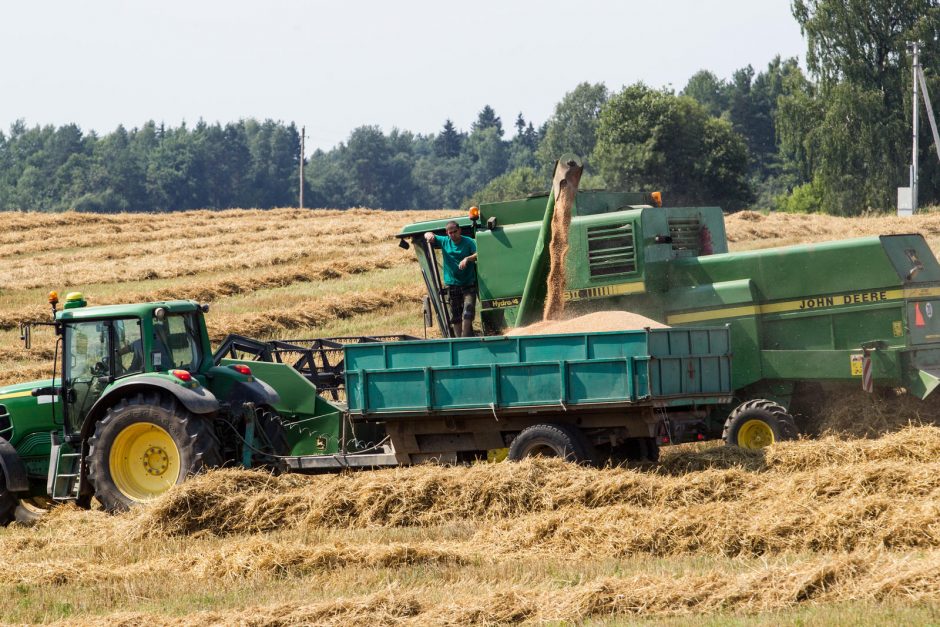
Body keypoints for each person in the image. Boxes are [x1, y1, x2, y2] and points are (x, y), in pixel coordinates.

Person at [425, 221, 477, 337]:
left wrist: (467, 259)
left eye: (455, 232)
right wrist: (428, 235)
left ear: (459, 230)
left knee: (468, 311)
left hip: (468, 283)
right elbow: (428, 234)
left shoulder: (468, 241)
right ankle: (458, 340)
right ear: (447, 233)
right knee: (456, 315)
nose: (453, 234)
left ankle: (465, 337)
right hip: (452, 284)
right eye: (450, 233)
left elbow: (478, 253)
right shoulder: (444, 241)